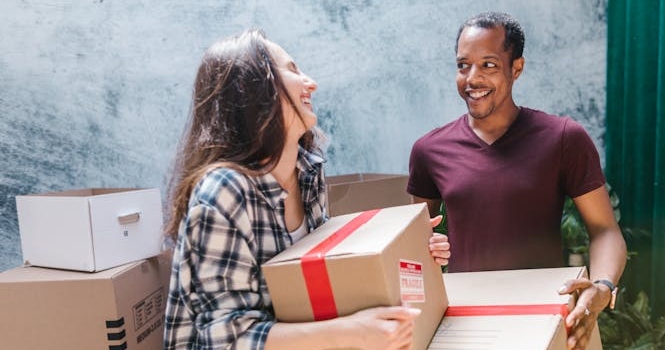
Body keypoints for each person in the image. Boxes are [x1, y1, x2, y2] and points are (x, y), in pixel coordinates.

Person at [163, 29, 450, 350]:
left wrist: (409, 254)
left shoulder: (307, 171)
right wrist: (352, 333)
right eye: (292, 70)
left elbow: (321, 278)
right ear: (253, 89)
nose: (311, 83)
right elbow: (225, 339)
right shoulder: (225, 192)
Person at [407, 12, 626, 350]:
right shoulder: (429, 150)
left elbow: (605, 230)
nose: (472, 79)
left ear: (517, 68)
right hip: (465, 323)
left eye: (489, 65)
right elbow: (414, 246)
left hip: (543, 318)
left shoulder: (563, 138)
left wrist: (602, 287)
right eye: (463, 65)